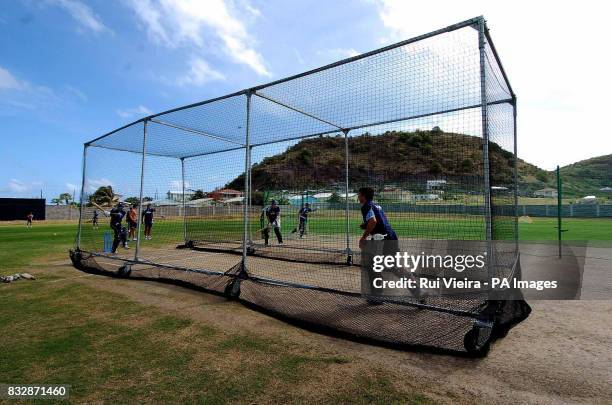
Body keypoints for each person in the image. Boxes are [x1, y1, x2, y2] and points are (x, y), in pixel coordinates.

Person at [358, 187, 398, 305]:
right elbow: (381, 221)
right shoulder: (376, 205)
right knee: (394, 266)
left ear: (363, 196)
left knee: (373, 266)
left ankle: (377, 296)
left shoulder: (366, 206)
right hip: (391, 236)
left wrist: (363, 238)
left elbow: (373, 221)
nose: (358, 197)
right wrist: (366, 225)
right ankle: (418, 290)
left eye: (359, 195)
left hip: (381, 239)